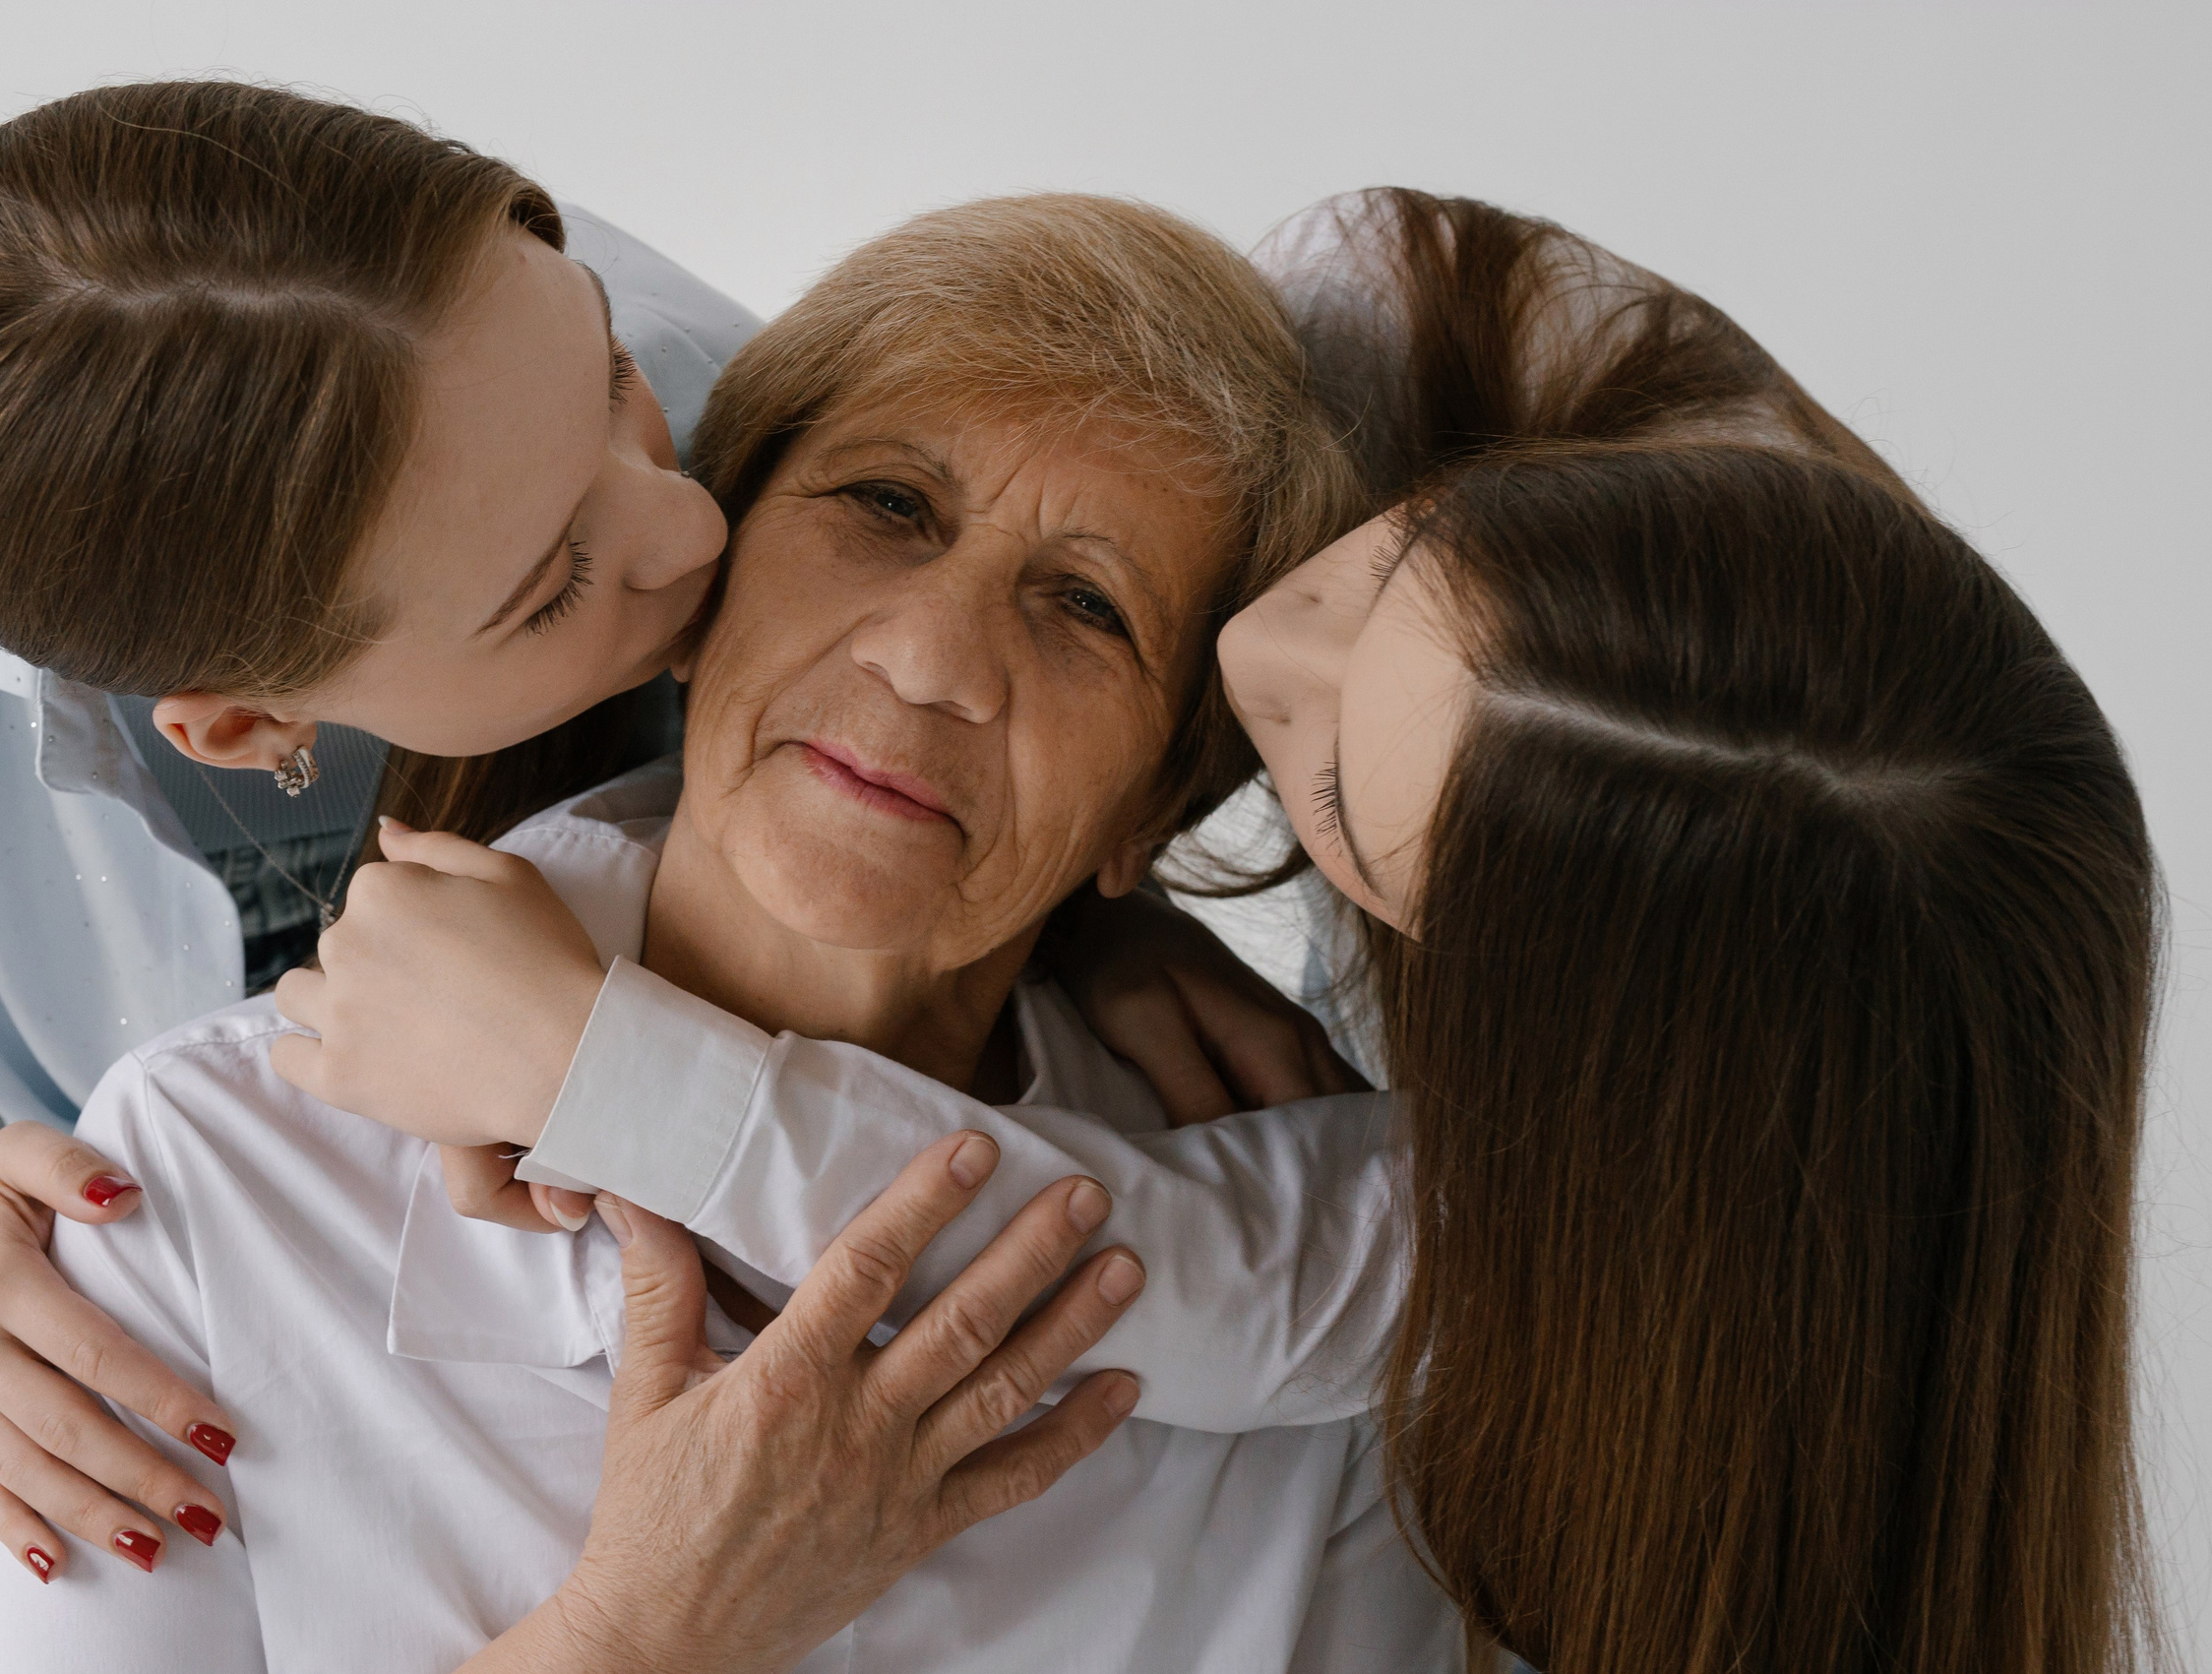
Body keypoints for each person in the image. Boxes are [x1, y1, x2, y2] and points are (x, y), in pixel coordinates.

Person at [298, 191, 2159, 1673]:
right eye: (1382, 573)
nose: (1259, 656)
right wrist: (1058, 896)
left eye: (1320, 794)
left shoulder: (1567, 1219)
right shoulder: (1410, 317)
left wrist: (602, 1070)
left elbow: (1183, 1276)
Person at [0, 81, 1317, 1668]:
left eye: (612, 382)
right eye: (554, 579)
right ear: (251, 724)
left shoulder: (564, 354)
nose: (692, 530)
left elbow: (938, 666)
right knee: (65, 1416)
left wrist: (1084, 907)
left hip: (617, 947)